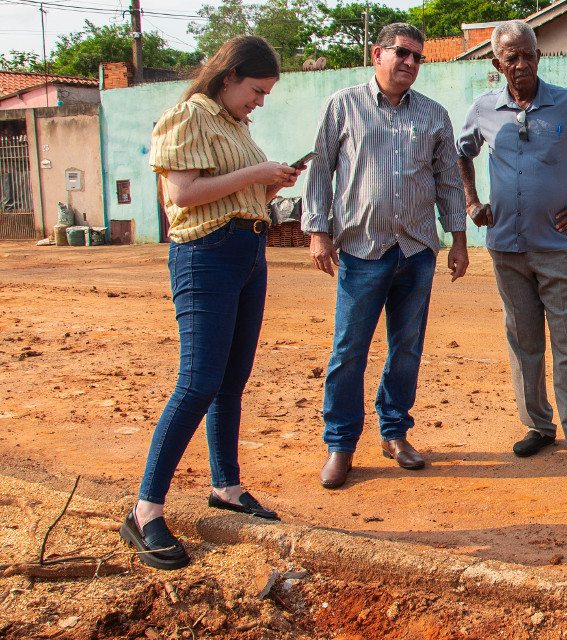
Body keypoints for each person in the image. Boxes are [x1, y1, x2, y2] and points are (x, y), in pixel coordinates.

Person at [121, 35, 299, 571]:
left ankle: (227, 487)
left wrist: (270, 186)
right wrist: (256, 174)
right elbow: (182, 194)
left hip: (246, 251)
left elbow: (233, 192)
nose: (259, 102)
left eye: (265, 94)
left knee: (229, 381)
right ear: (229, 76)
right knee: (197, 381)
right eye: (256, 90)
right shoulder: (189, 116)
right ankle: (145, 510)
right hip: (206, 254)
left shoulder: (234, 125)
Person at [303, 23, 469, 490]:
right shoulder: (342, 106)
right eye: (401, 54)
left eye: (418, 57)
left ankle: (394, 432)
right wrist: (318, 231)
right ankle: (340, 444)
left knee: (407, 348)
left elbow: (447, 180)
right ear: (376, 54)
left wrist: (457, 240)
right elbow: (321, 169)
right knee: (349, 349)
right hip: (361, 250)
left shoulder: (434, 115)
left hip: (416, 251)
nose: (410, 63)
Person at [456, 20, 567, 471]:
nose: (522, 64)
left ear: (538, 56)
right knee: (523, 340)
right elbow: (460, 153)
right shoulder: (484, 108)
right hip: (506, 248)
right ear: (497, 63)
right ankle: (537, 425)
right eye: (512, 57)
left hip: (557, 246)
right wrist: (471, 201)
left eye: (529, 54)